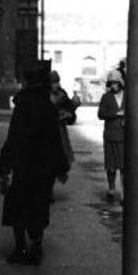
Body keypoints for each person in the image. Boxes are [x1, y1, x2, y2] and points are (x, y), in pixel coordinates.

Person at [0, 63, 68, 264]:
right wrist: (61, 167)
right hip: (42, 168)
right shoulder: (48, 108)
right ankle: (36, 248)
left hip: (22, 166)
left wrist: (4, 165)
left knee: (17, 207)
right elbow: (56, 140)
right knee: (38, 208)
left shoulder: (22, 105)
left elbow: (13, 138)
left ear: (27, 83)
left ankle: (21, 248)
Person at [97, 68, 125, 203]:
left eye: (115, 83)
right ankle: (111, 190)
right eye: (111, 83)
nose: (113, 85)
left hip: (124, 136)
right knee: (111, 166)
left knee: (124, 167)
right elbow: (100, 114)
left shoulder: (127, 96)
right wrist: (116, 114)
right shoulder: (106, 97)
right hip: (110, 135)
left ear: (120, 82)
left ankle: (124, 194)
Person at [49, 70, 77, 200]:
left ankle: (50, 187)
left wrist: (71, 111)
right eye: (54, 82)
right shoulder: (42, 95)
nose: (57, 85)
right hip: (46, 133)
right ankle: (47, 190)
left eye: (58, 82)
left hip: (60, 133)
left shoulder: (62, 94)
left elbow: (71, 115)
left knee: (60, 160)